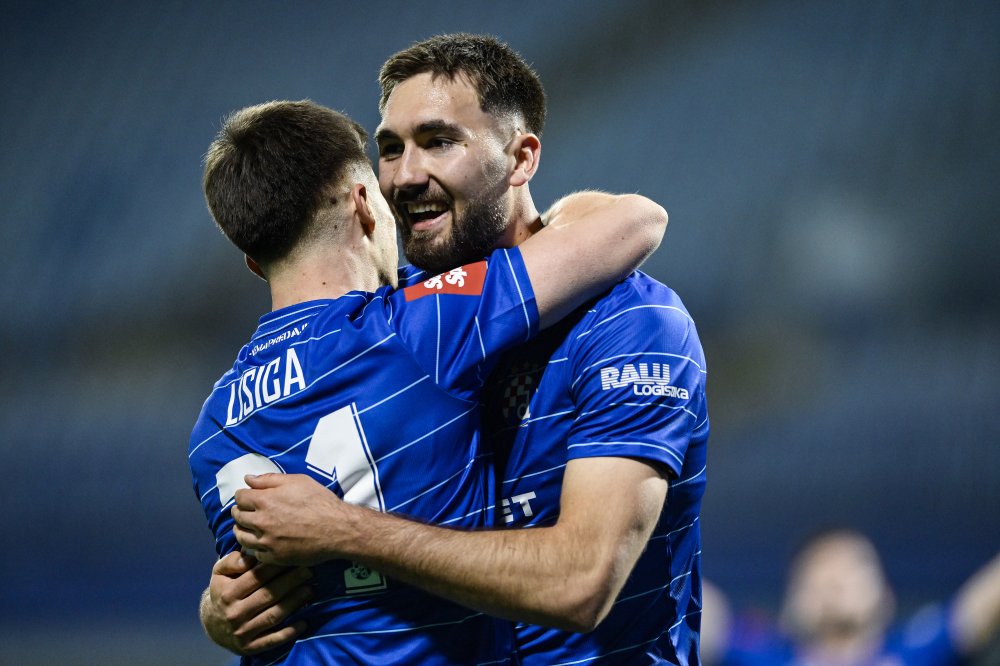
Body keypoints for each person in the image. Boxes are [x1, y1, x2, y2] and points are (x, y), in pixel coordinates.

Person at [203, 33, 708, 664]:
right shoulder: (395, 316)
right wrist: (226, 603)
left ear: (520, 159)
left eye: (439, 141)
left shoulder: (630, 321)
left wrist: (347, 532)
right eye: (391, 149)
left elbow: (581, 581)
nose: (406, 175)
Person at [707, 530, 1000, 666]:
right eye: (815, 572)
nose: (833, 581)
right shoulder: (759, 656)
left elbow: (987, 596)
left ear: (886, 595)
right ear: (789, 605)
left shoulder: (919, 650)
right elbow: (693, 598)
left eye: (851, 568)